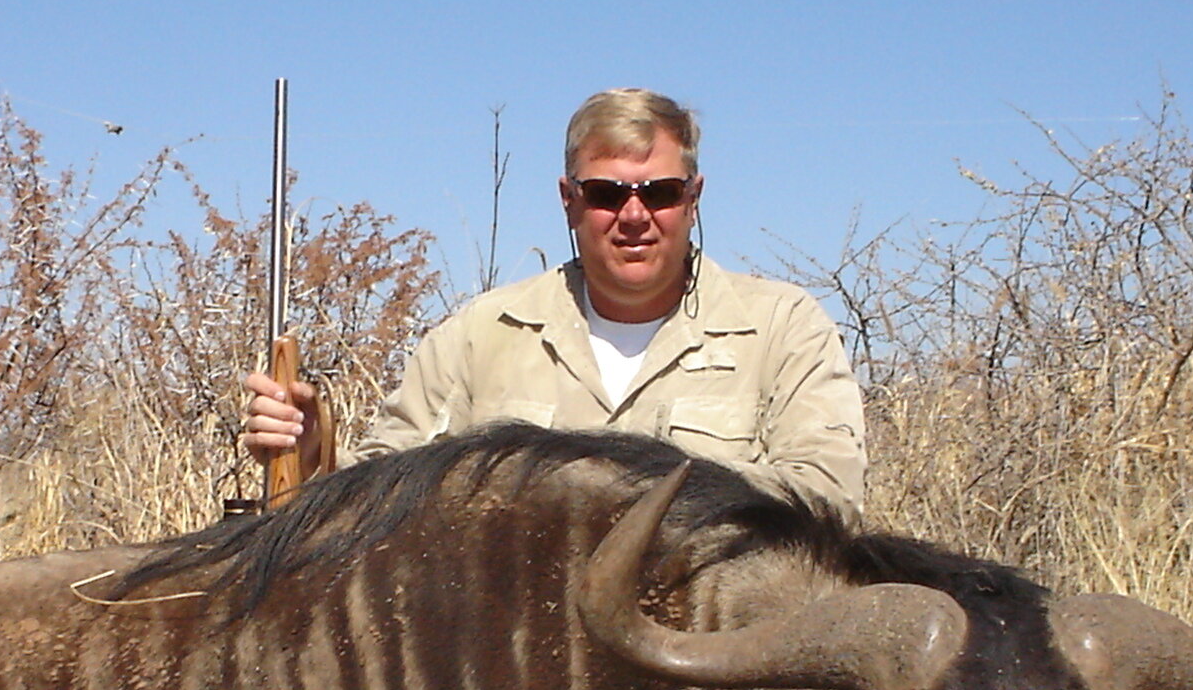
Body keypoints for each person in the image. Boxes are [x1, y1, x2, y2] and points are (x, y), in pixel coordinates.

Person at [242, 89, 867, 519]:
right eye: (605, 193)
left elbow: (827, 499)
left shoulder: (782, 328)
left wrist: (612, 494)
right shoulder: (478, 336)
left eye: (661, 193)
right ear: (568, 200)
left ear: (694, 197)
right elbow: (375, 501)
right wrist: (312, 454)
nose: (633, 216)